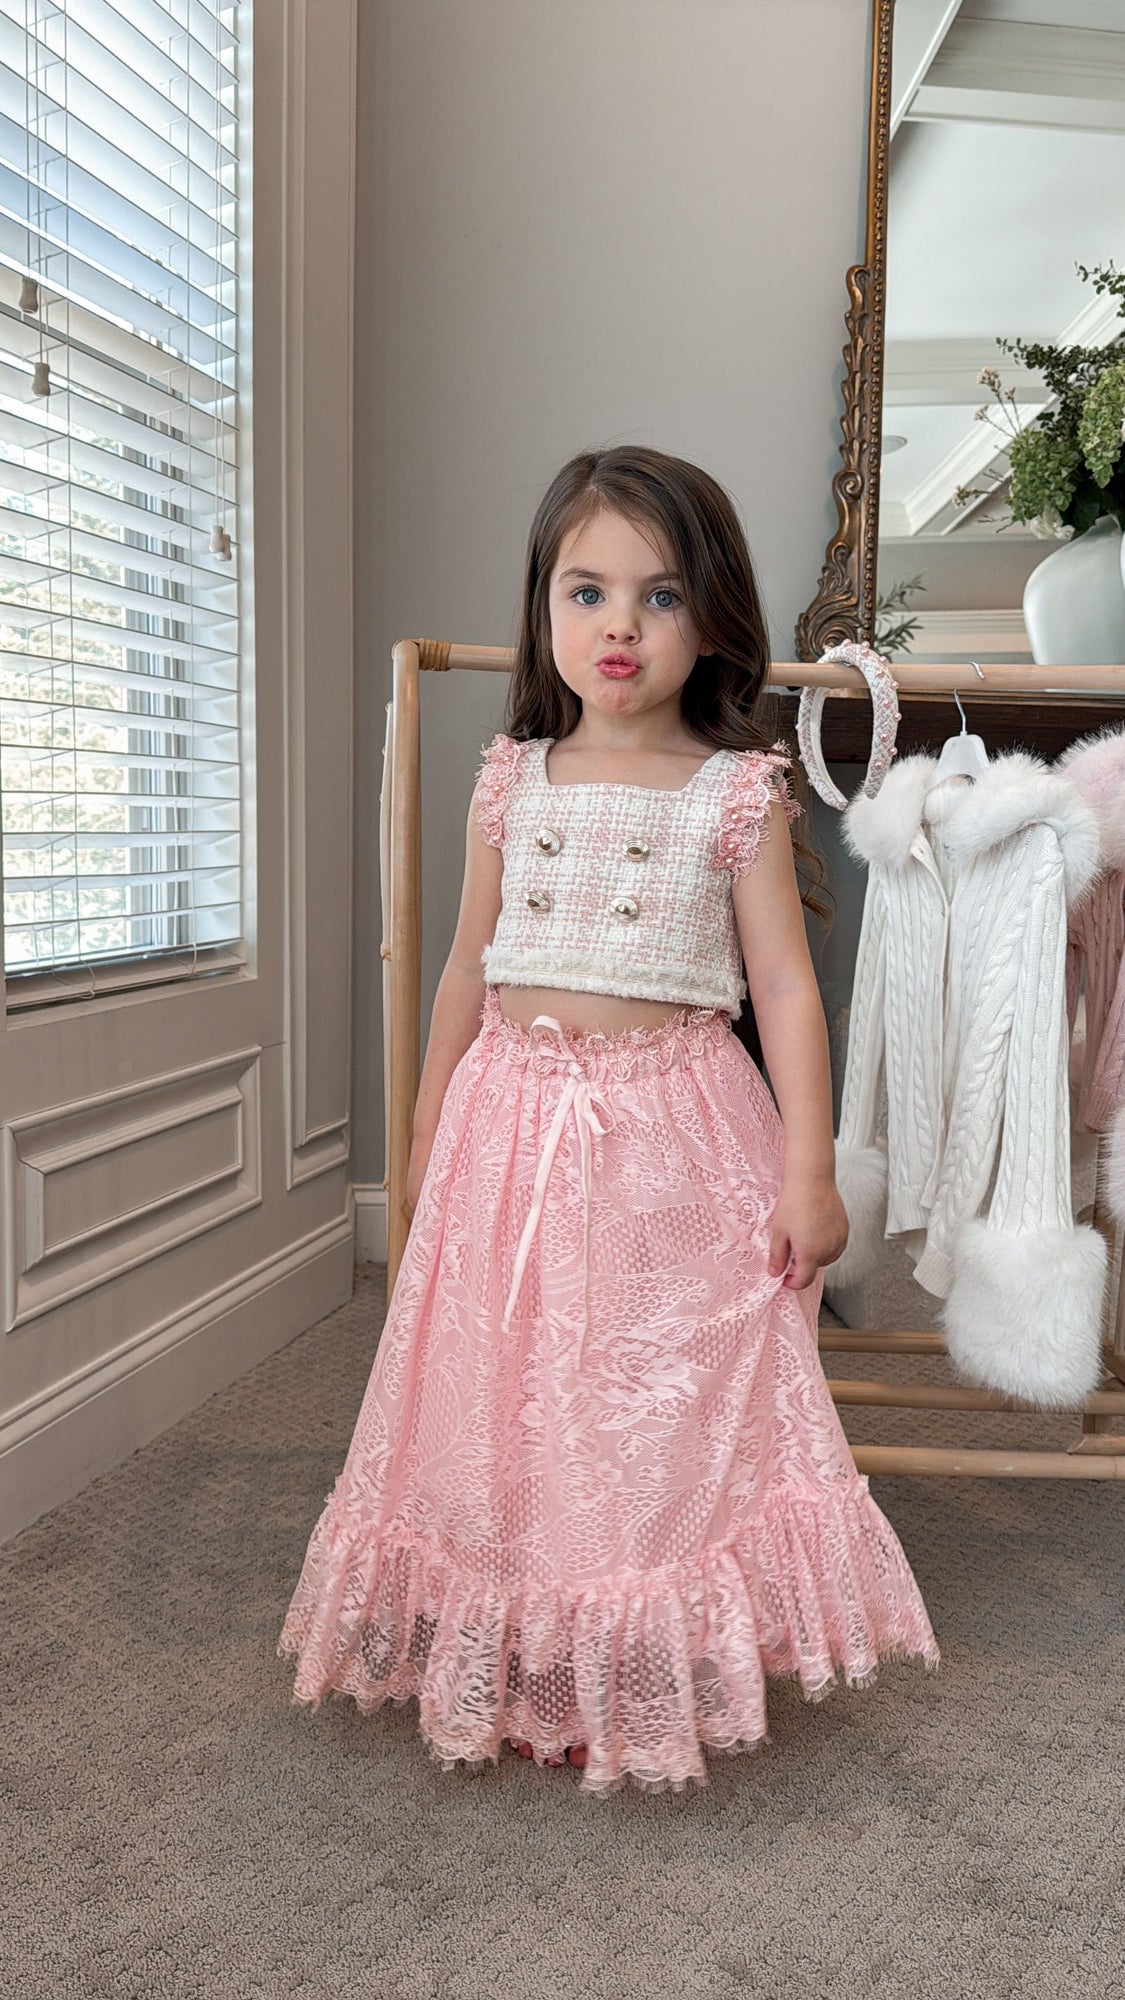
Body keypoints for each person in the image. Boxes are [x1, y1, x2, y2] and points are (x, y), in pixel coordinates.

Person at [277, 445, 939, 1793]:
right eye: (586, 593)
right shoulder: (509, 779)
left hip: (674, 1137)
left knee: (647, 1401)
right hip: (507, 1123)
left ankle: (628, 1652)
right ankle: (531, 1646)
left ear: (711, 621)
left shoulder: (731, 795)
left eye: (658, 596)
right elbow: (467, 964)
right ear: (542, 609)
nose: (619, 627)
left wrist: (806, 1169)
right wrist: (422, 1130)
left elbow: (784, 993)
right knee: (512, 1395)